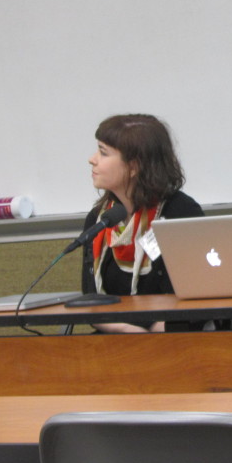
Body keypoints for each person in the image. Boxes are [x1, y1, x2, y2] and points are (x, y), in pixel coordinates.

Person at [81, 114, 203, 333]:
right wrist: (127, 330)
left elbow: (195, 305)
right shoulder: (99, 220)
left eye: (103, 152)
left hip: (175, 340)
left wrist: (149, 336)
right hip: (116, 336)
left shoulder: (180, 214)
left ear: (133, 166)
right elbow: (91, 303)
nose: (92, 159)